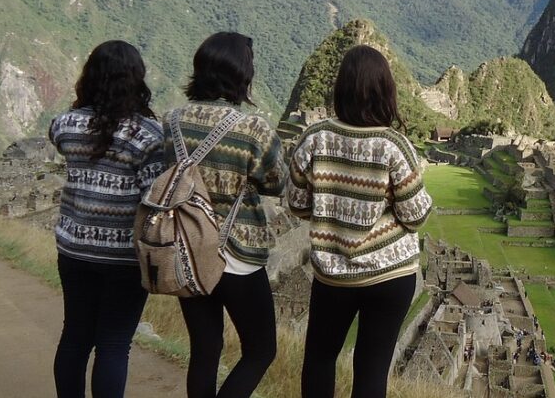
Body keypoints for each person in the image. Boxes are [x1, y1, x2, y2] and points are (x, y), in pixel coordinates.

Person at [290, 45, 433, 398]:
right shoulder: (393, 145)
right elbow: (416, 215)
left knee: (320, 360)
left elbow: (297, 204)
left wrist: (332, 211)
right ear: (386, 90)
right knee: (372, 370)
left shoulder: (314, 138)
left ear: (341, 88)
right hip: (390, 275)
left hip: (333, 273)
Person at [168, 32, 286, 398]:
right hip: (236, 255)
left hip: (186, 250)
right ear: (241, 76)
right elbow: (276, 182)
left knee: (204, 349)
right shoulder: (252, 128)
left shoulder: (172, 121)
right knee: (260, 350)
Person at [49, 40, 165, 398]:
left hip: (74, 250)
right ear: (136, 80)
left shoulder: (65, 125)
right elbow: (152, 196)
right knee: (114, 344)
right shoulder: (147, 135)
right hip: (123, 257)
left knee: (75, 336)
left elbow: (61, 140)